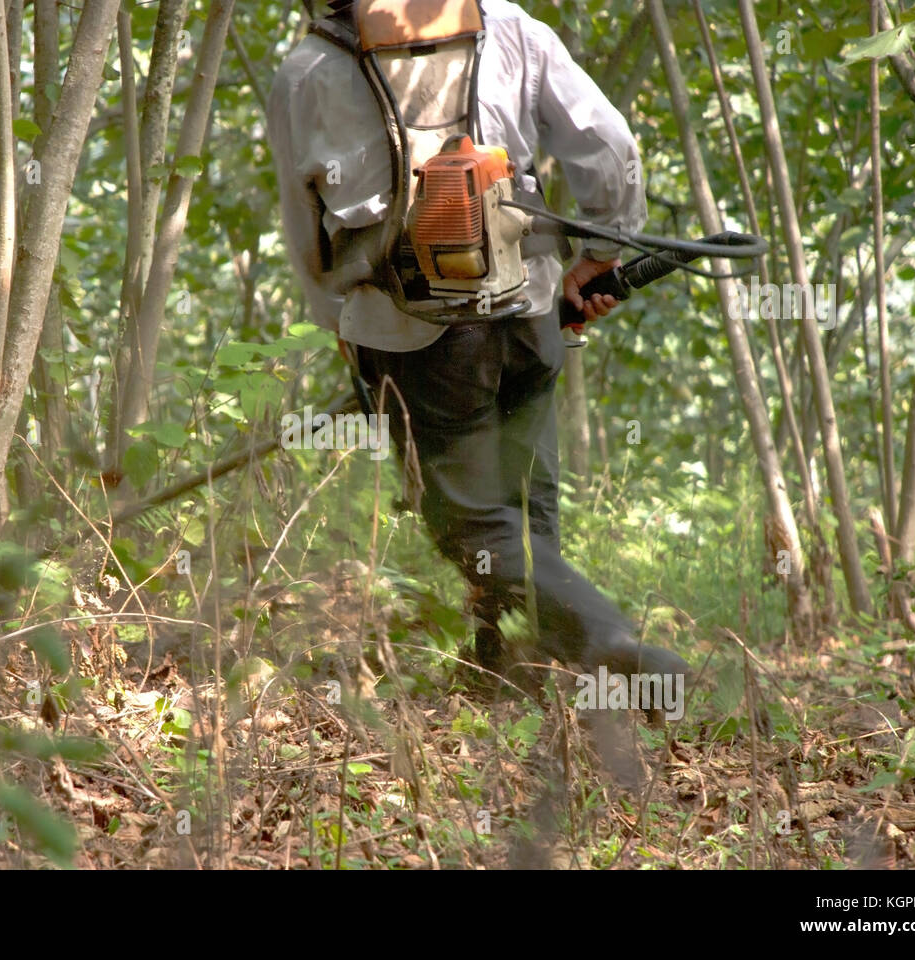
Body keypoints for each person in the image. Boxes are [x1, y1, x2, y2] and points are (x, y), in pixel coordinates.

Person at [266, 0, 691, 704]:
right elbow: (609, 142)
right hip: (530, 317)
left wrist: (340, 322)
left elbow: (308, 237)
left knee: (470, 520)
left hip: (415, 338)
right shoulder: (508, 25)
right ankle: (510, 669)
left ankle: (607, 641)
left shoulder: (306, 72)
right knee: (525, 500)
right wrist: (603, 251)